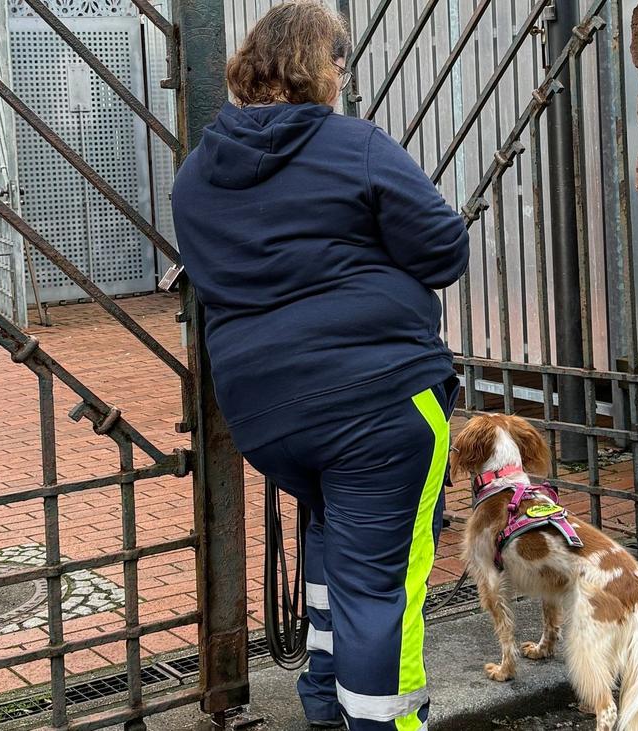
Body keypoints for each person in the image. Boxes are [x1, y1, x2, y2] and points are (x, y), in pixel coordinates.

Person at [169, 2, 470, 729]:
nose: (344, 74)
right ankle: (384, 722)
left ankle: (324, 706)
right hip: (379, 403)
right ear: (322, 66)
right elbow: (443, 251)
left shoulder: (195, 176)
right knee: (384, 586)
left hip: (269, 418)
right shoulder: (353, 146)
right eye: (341, 60)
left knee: (339, 553)